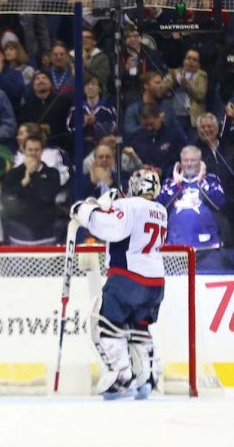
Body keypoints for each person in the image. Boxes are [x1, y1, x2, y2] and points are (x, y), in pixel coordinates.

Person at [70, 169, 168, 400]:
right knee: (139, 328)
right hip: (155, 282)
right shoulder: (161, 210)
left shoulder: (130, 205)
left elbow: (110, 228)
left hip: (128, 277)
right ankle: (146, 378)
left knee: (104, 324)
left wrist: (83, 210)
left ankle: (122, 379)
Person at [156, 146, 228, 268]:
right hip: (175, 250)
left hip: (207, 248)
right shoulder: (170, 182)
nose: (189, 164)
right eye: (185, 160)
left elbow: (219, 203)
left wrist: (201, 182)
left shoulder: (211, 180)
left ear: (200, 162)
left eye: (193, 160)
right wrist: (176, 185)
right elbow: (160, 206)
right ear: (180, 163)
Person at [0, 135, 61, 245]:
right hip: (18, 235)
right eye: (30, 150)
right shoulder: (14, 174)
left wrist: (33, 174)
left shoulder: (52, 173)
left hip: (45, 234)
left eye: (36, 150)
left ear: (42, 151)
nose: (33, 153)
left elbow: (47, 196)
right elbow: (6, 199)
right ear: (24, 151)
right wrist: (23, 182)